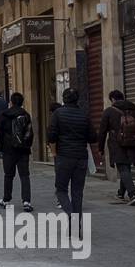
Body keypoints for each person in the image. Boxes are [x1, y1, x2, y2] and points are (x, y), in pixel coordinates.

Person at [47, 88, 97, 222]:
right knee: (77, 192)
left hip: (64, 156)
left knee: (61, 189)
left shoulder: (57, 114)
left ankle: (70, 213)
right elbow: (93, 137)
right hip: (81, 157)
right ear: (77, 99)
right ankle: (75, 226)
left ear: (63, 99)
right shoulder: (84, 115)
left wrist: (54, 152)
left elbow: (51, 135)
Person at [99, 90, 135, 205]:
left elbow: (102, 131)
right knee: (126, 168)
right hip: (133, 144)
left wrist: (100, 148)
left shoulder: (109, 111)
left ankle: (132, 194)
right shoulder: (134, 109)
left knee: (123, 168)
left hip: (117, 144)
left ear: (113, 100)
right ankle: (120, 193)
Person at [0, 92, 34, 212]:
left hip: (8, 150)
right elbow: (30, 133)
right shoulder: (26, 115)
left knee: (8, 175)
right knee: (25, 175)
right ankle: (26, 201)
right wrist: (27, 146)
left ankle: (6, 199)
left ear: (11, 102)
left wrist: (1, 148)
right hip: (23, 150)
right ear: (22, 102)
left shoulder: (4, 115)